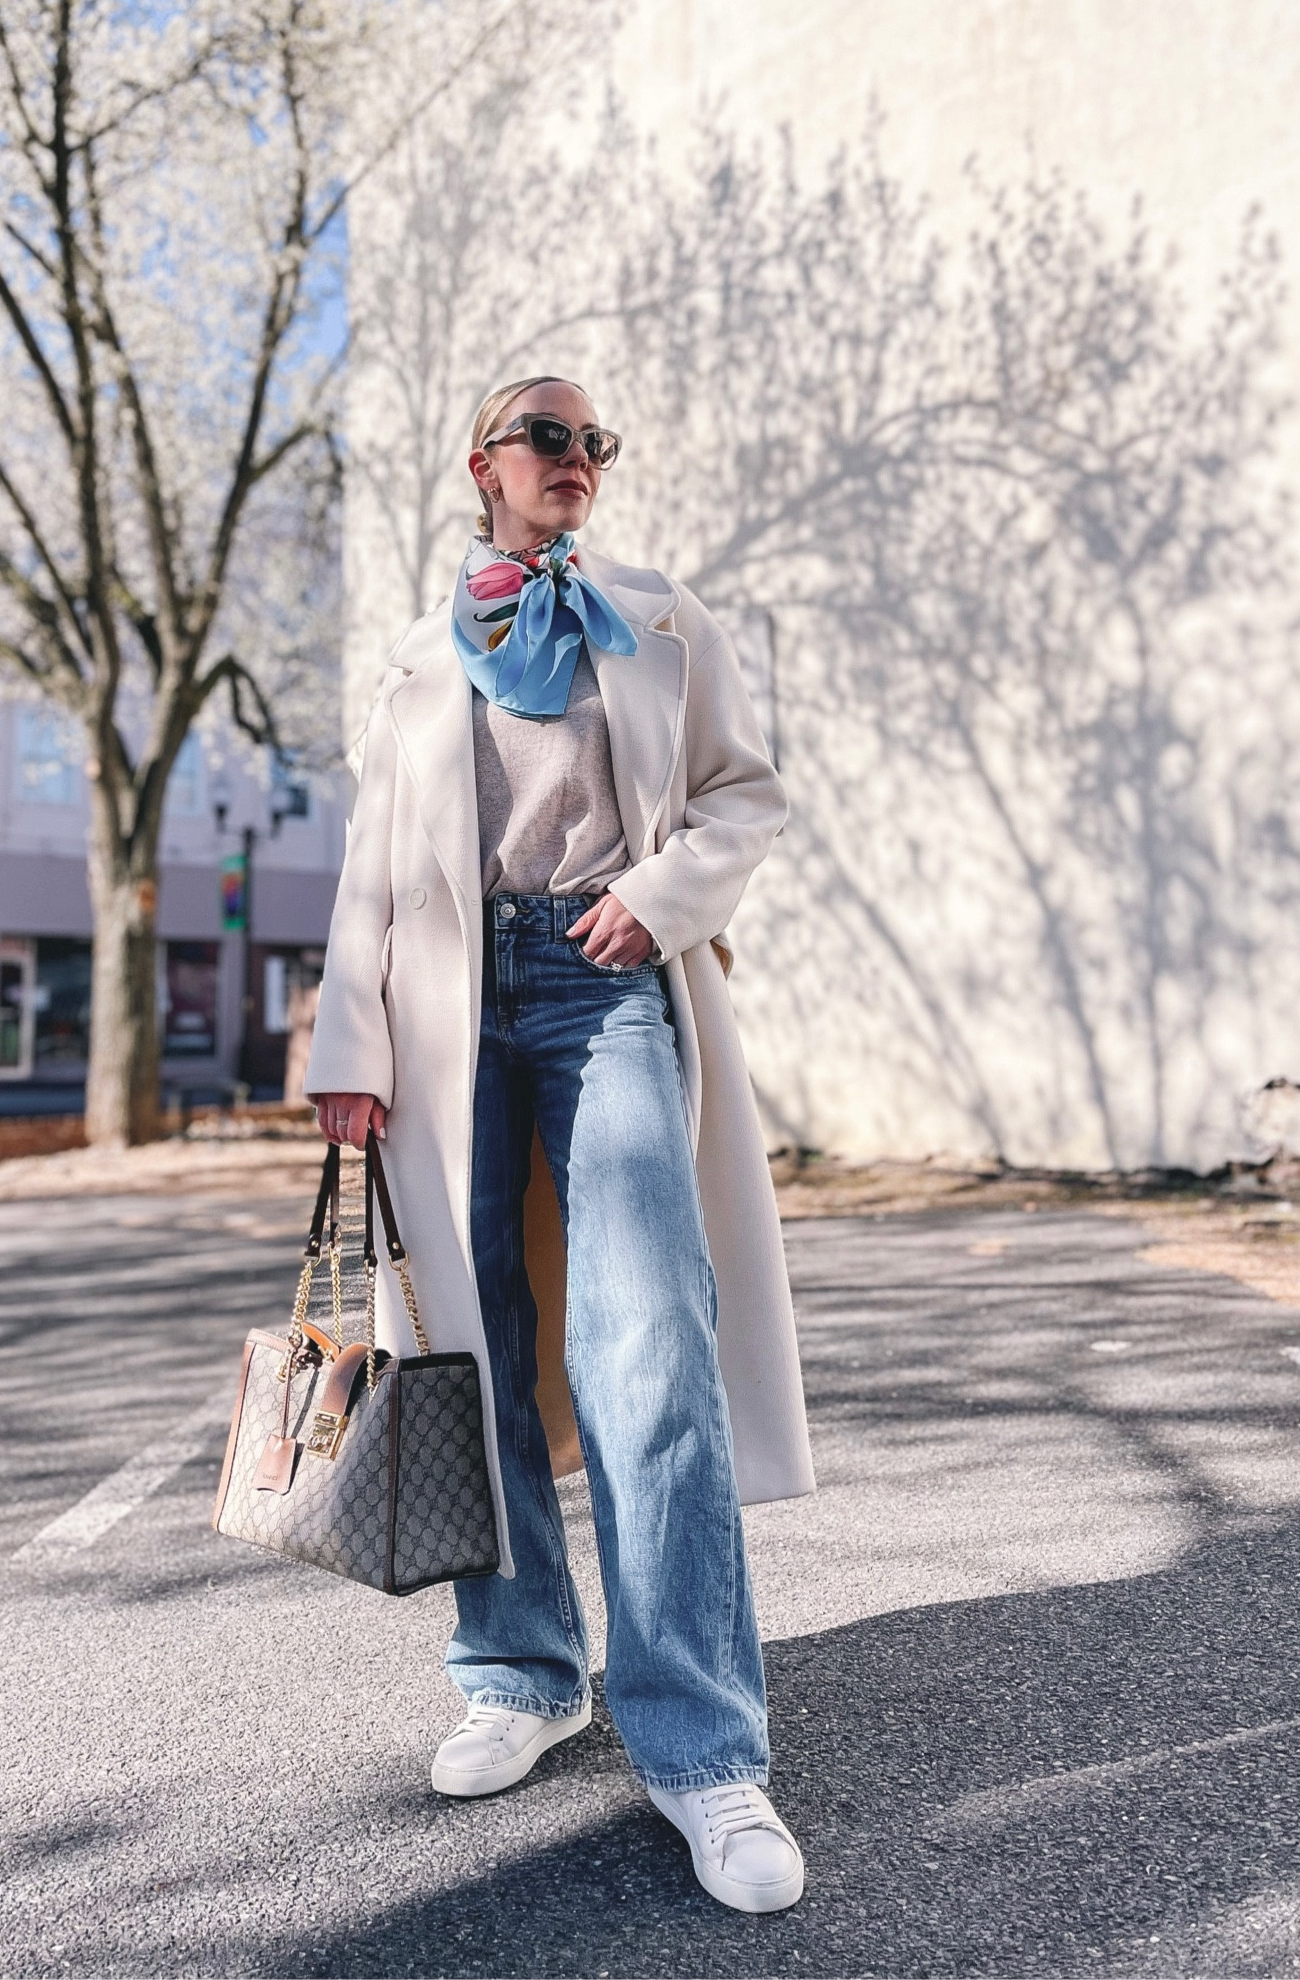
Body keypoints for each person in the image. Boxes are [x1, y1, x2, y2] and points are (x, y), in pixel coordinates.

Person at [307, 375, 814, 1914]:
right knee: (474, 1346)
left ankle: (701, 1744)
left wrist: (657, 898)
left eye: (601, 440)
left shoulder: (663, 619)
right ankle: (522, 1669)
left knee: (651, 1342)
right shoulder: (411, 657)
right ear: (483, 464)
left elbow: (740, 795)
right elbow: (372, 864)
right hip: (444, 1009)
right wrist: (347, 1045)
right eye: (551, 436)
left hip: (604, 989)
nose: (580, 459)